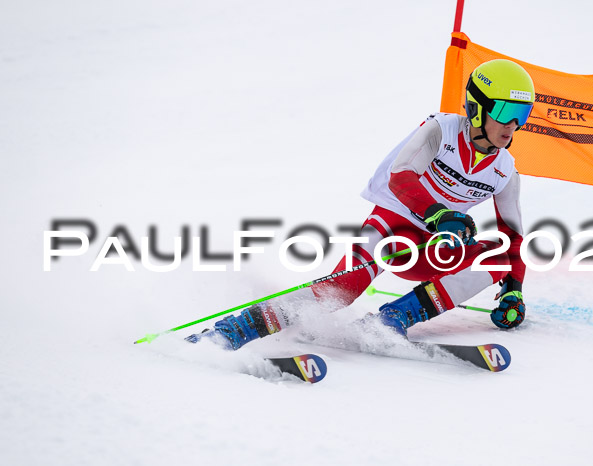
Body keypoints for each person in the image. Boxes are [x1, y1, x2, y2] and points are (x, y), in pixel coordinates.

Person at [187, 59, 534, 350]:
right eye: (505, 111)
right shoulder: (440, 130)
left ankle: (392, 320)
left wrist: (513, 292)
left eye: (522, 113)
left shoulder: (505, 171)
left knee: (498, 256)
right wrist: (440, 213)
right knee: (341, 290)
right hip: (393, 229)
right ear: (477, 108)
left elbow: (514, 236)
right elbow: (401, 176)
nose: (513, 125)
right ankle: (234, 331)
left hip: (433, 249)